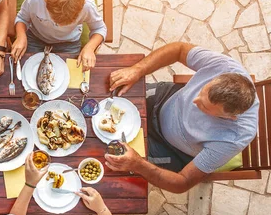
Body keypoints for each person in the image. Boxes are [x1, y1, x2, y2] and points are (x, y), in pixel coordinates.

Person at [105, 42, 259, 194]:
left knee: (111, 156)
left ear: (230, 117)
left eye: (204, 107)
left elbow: (182, 183)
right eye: (201, 92)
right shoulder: (226, 67)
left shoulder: (233, 138)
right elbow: (178, 50)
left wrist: (138, 164)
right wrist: (137, 70)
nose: (194, 102)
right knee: (107, 98)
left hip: (168, 147)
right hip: (163, 99)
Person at [10, 0, 107, 71]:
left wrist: (90, 47)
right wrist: (20, 36)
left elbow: (100, 28)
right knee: (25, 70)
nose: (59, 25)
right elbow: (22, 18)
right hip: (36, 38)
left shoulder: (88, 6)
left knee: (71, 77)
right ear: (46, 0)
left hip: (69, 43)